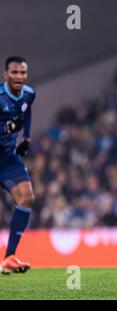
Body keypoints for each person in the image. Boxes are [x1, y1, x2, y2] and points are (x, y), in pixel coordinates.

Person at [0, 56, 35, 274]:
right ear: (6, 75)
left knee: (27, 197)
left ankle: (9, 258)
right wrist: (5, 129)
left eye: (22, 72)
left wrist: (27, 138)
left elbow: (26, 110)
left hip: (7, 159)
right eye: (14, 72)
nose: (19, 77)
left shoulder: (29, 94)